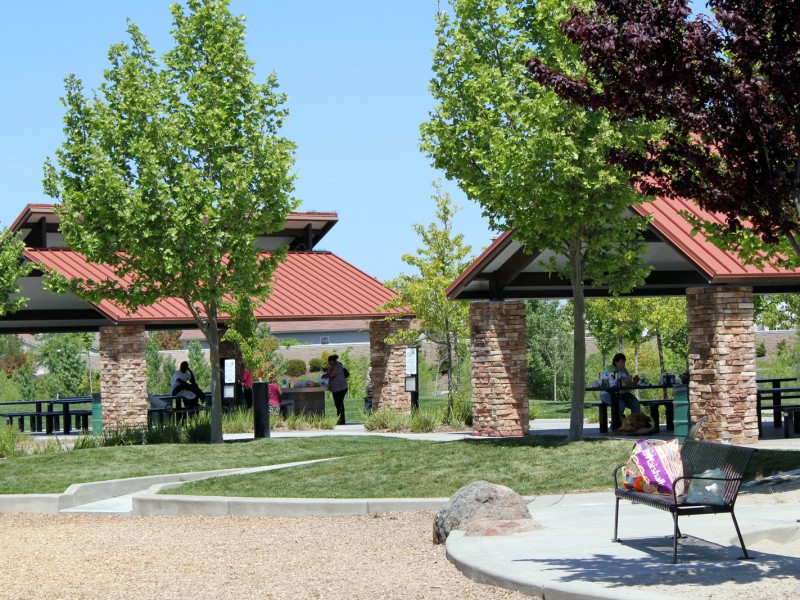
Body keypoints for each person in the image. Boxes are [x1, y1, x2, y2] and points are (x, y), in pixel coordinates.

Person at [323, 354, 348, 425]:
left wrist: (325, 375)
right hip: (341, 387)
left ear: (332, 361)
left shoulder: (336, 366)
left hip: (339, 389)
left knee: (339, 404)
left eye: (329, 361)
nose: (328, 363)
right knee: (339, 404)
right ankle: (341, 420)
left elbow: (331, 375)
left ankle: (341, 420)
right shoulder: (339, 365)